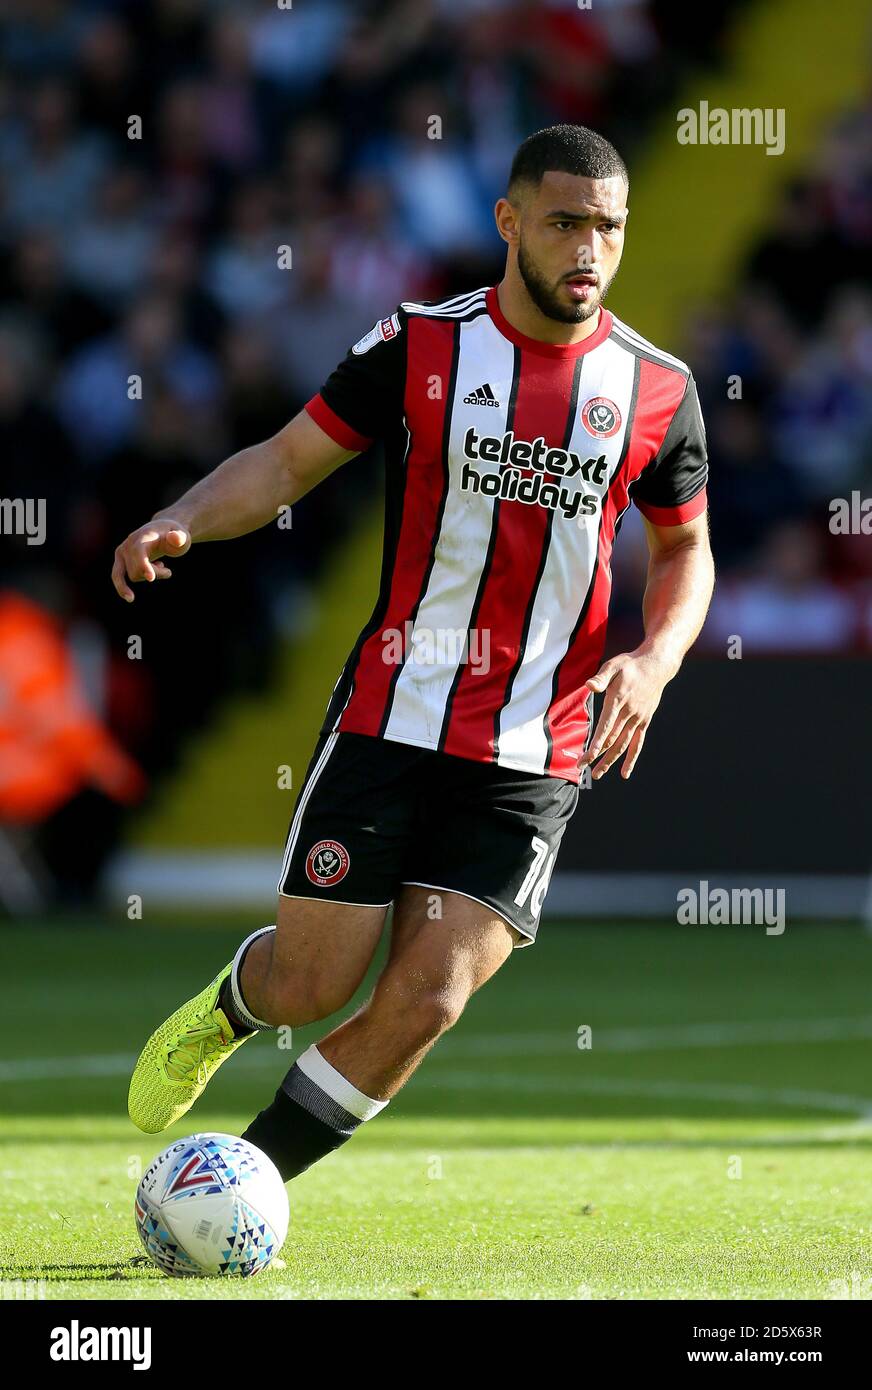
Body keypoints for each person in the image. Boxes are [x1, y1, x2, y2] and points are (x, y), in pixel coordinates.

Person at [114, 125, 714, 1181]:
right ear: (509, 221)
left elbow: (684, 548)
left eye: (607, 228)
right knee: (310, 987)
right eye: (565, 221)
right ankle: (228, 1007)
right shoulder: (420, 342)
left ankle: (232, 1191)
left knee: (429, 1000)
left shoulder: (655, 390)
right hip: (394, 709)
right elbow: (288, 460)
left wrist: (655, 658)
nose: (587, 248)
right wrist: (186, 518)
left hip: (535, 744)